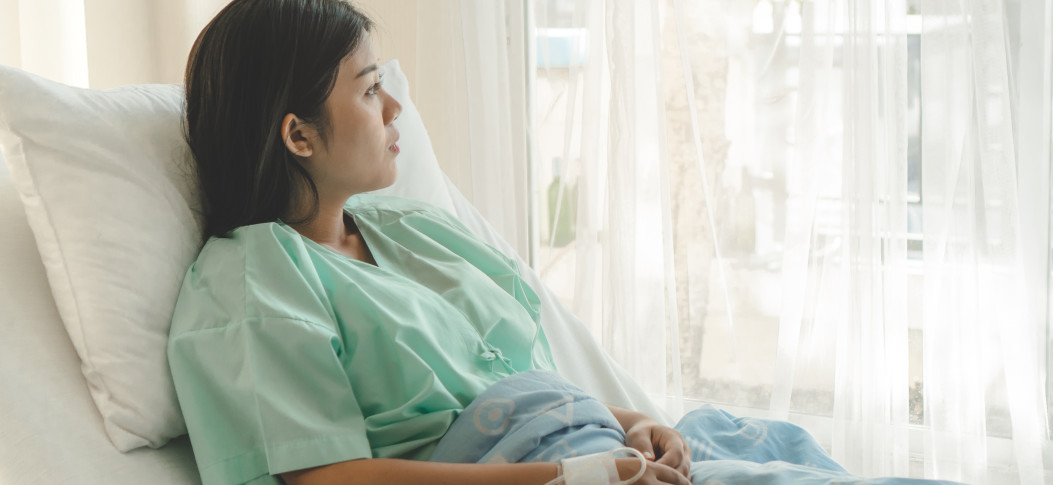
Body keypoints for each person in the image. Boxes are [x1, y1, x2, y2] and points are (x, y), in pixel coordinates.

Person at [169, 1, 691, 484]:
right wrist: (577, 476)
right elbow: (327, 478)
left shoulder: (416, 227)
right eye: (371, 90)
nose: (394, 107)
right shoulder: (251, 282)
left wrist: (635, 423)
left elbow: (524, 387)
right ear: (299, 137)